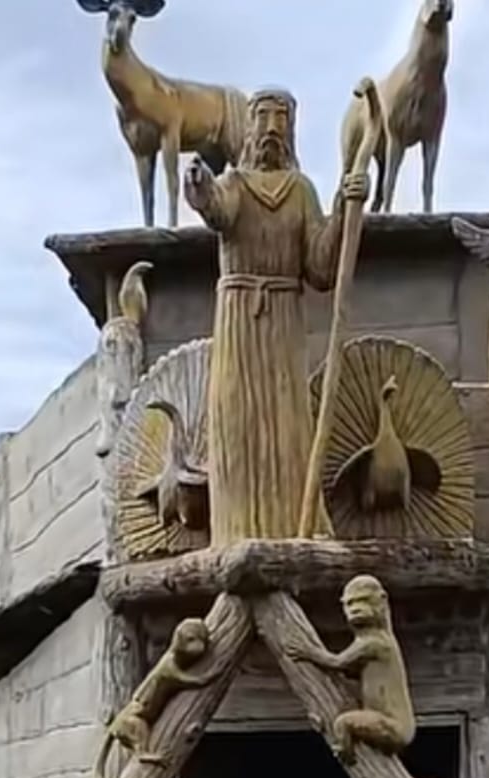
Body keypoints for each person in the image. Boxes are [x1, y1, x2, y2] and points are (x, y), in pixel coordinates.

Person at [183, 88, 369, 543]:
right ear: (249, 127)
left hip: (284, 319)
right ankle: (237, 527)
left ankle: (292, 523)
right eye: (263, 117)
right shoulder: (235, 183)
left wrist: (345, 208)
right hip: (240, 320)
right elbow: (218, 211)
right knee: (239, 421)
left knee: (288, 423)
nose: (271, 128)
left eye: (280, 118)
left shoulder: (301, 191)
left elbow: (320, 268)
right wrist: (200, 186)